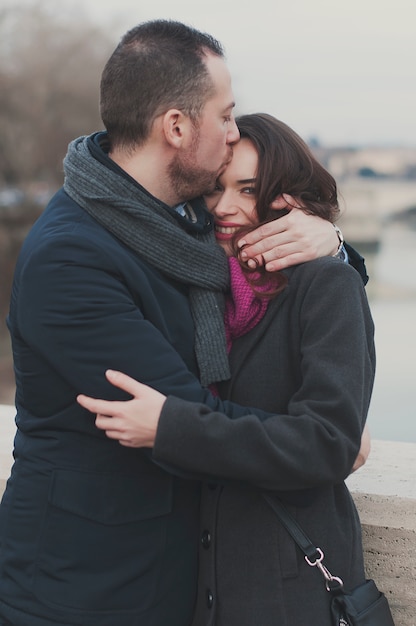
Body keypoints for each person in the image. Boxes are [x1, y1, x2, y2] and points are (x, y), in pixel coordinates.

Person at [0, 19, 366, 626]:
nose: (232, 132)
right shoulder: (73, 256)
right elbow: (184, 412)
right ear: (176, 126)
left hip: (167, 582)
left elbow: (285, 302)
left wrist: (335, 250)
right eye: (224, 116)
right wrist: (331, 439)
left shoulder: (176, 228)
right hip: (83, 590)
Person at [78, 113, 375, 625]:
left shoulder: (326, 286)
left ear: (291, 197)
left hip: (290, 591)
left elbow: (326, 444)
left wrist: (171, 427)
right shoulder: (193, 287)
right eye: (215, 189)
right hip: (199, 587)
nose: (224, 208)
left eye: (249, 189)